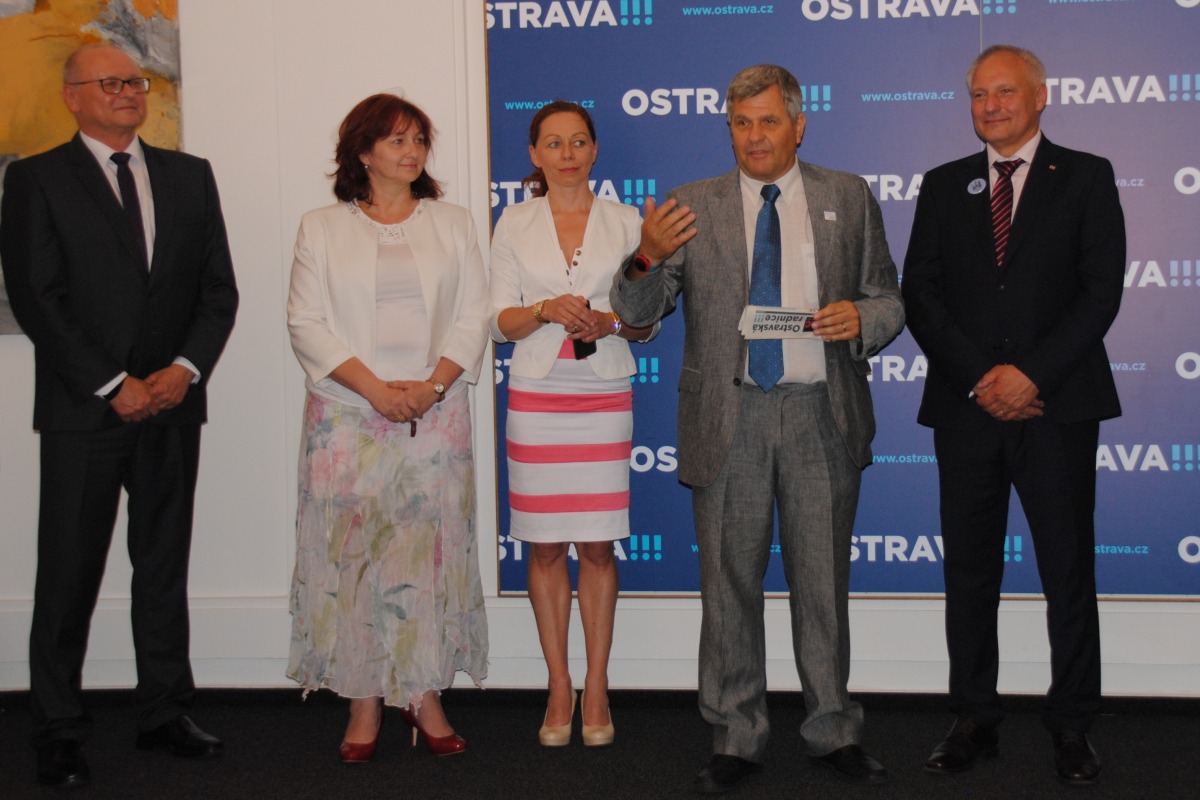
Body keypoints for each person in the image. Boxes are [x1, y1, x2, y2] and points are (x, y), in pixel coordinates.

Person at [610, 64, 904, 793]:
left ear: (798, 125)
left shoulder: (848, 195)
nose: (754, 137)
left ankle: (833, 729)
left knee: (822, 584)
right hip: (728, 418)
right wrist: (646, 254)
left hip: (819, 415)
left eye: (768, 121)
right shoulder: (690, 206)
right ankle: (736, 735)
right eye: (741, 123)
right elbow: (638, 312)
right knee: (728, 587)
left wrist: (861, 318)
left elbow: (888, 298)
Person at [0, 44, 238, 790]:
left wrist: (183, 369)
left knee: (162, 566)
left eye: (135, 81)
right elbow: (37, 296)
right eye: (110, 83)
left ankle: (164, 712)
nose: (128, 92)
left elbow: (217, 291)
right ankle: (57, 727)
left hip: (171, 405)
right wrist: (111, 383)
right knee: (68, 572)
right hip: (84, 411)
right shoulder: (36, 179)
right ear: (72, 96)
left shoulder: (189, 175)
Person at [902, 45, 1125, 786]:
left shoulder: (1086, 176)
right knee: (969, 570)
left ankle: (1073, 724)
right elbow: (921, 292)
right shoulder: (943, 184)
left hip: (1057, 407)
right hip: (967, 409)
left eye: (1004, 92)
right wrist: (981, 379)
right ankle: (974, 718)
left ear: (1039, 96)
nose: (990, 106)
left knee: (1068, 568)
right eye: (979, 94)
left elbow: (1100, 291)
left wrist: (1031, 375)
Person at [286, 93, 489, 763]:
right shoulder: (321, 226)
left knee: (426, 555)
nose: (412, 151)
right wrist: (375, 390)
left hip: (435, 414)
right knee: (354, 555)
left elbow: (474, 314)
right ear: (363, 151)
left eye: (419, 139)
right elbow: (305, 322)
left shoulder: (453, 222)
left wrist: (432, 387)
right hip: (347, 416)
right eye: (396, 140)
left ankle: (423, 694)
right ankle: (364, 697)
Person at [489, 101, 656, 748]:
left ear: (594, 150)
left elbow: (647, 321)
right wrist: (543, 310)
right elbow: (498, 324)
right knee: (544, 547)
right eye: (553, 143)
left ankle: (598, 684)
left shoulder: (628, 222)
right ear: (534, 154)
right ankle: (559, 685)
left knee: (597, 547)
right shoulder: (514, 221)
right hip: (537, 395)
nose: (567, 154)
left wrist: (607, 321)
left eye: (578, 141)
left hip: (602, 394)